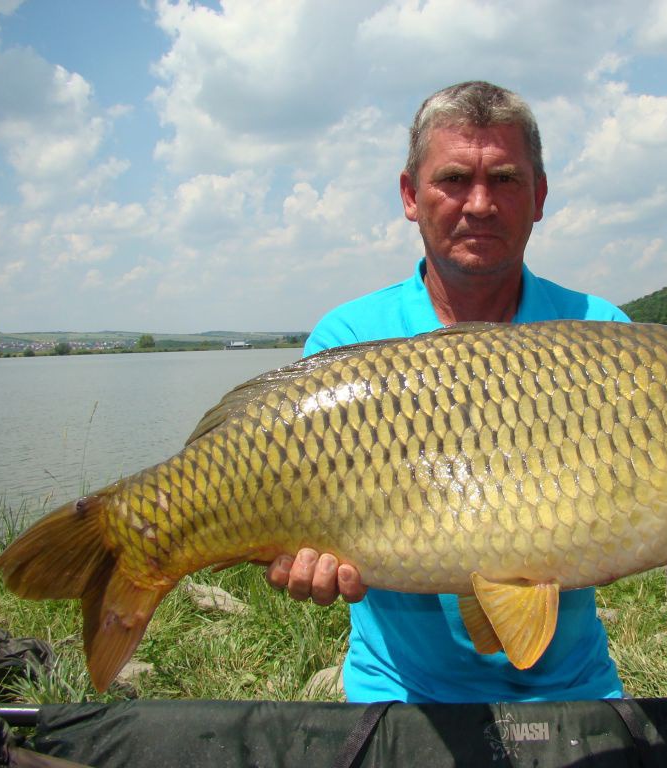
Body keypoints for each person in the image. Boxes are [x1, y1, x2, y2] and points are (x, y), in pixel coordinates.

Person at [266, 81, 630, 703]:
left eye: (507, 180)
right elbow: (299, 519)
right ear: (410, 196)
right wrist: (294, 557)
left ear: (540, 197)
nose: (480, 203)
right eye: (454, 179)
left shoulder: (603, 336)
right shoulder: (349, 339)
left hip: (575, 686)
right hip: (401, 693)